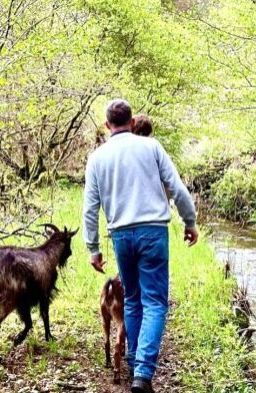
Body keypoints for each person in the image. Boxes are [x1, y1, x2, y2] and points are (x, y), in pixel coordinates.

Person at [83, 99, 198, 393]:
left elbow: (90, 208)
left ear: (108, 126)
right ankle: (143, 373)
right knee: (156, 302)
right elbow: (176, 187)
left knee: (132, 299)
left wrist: (93, 248)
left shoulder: (97, 158)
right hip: (153, 232)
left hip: (120, 236)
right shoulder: (152, 147)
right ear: (132, 123)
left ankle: (134, 362)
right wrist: (189, 221)